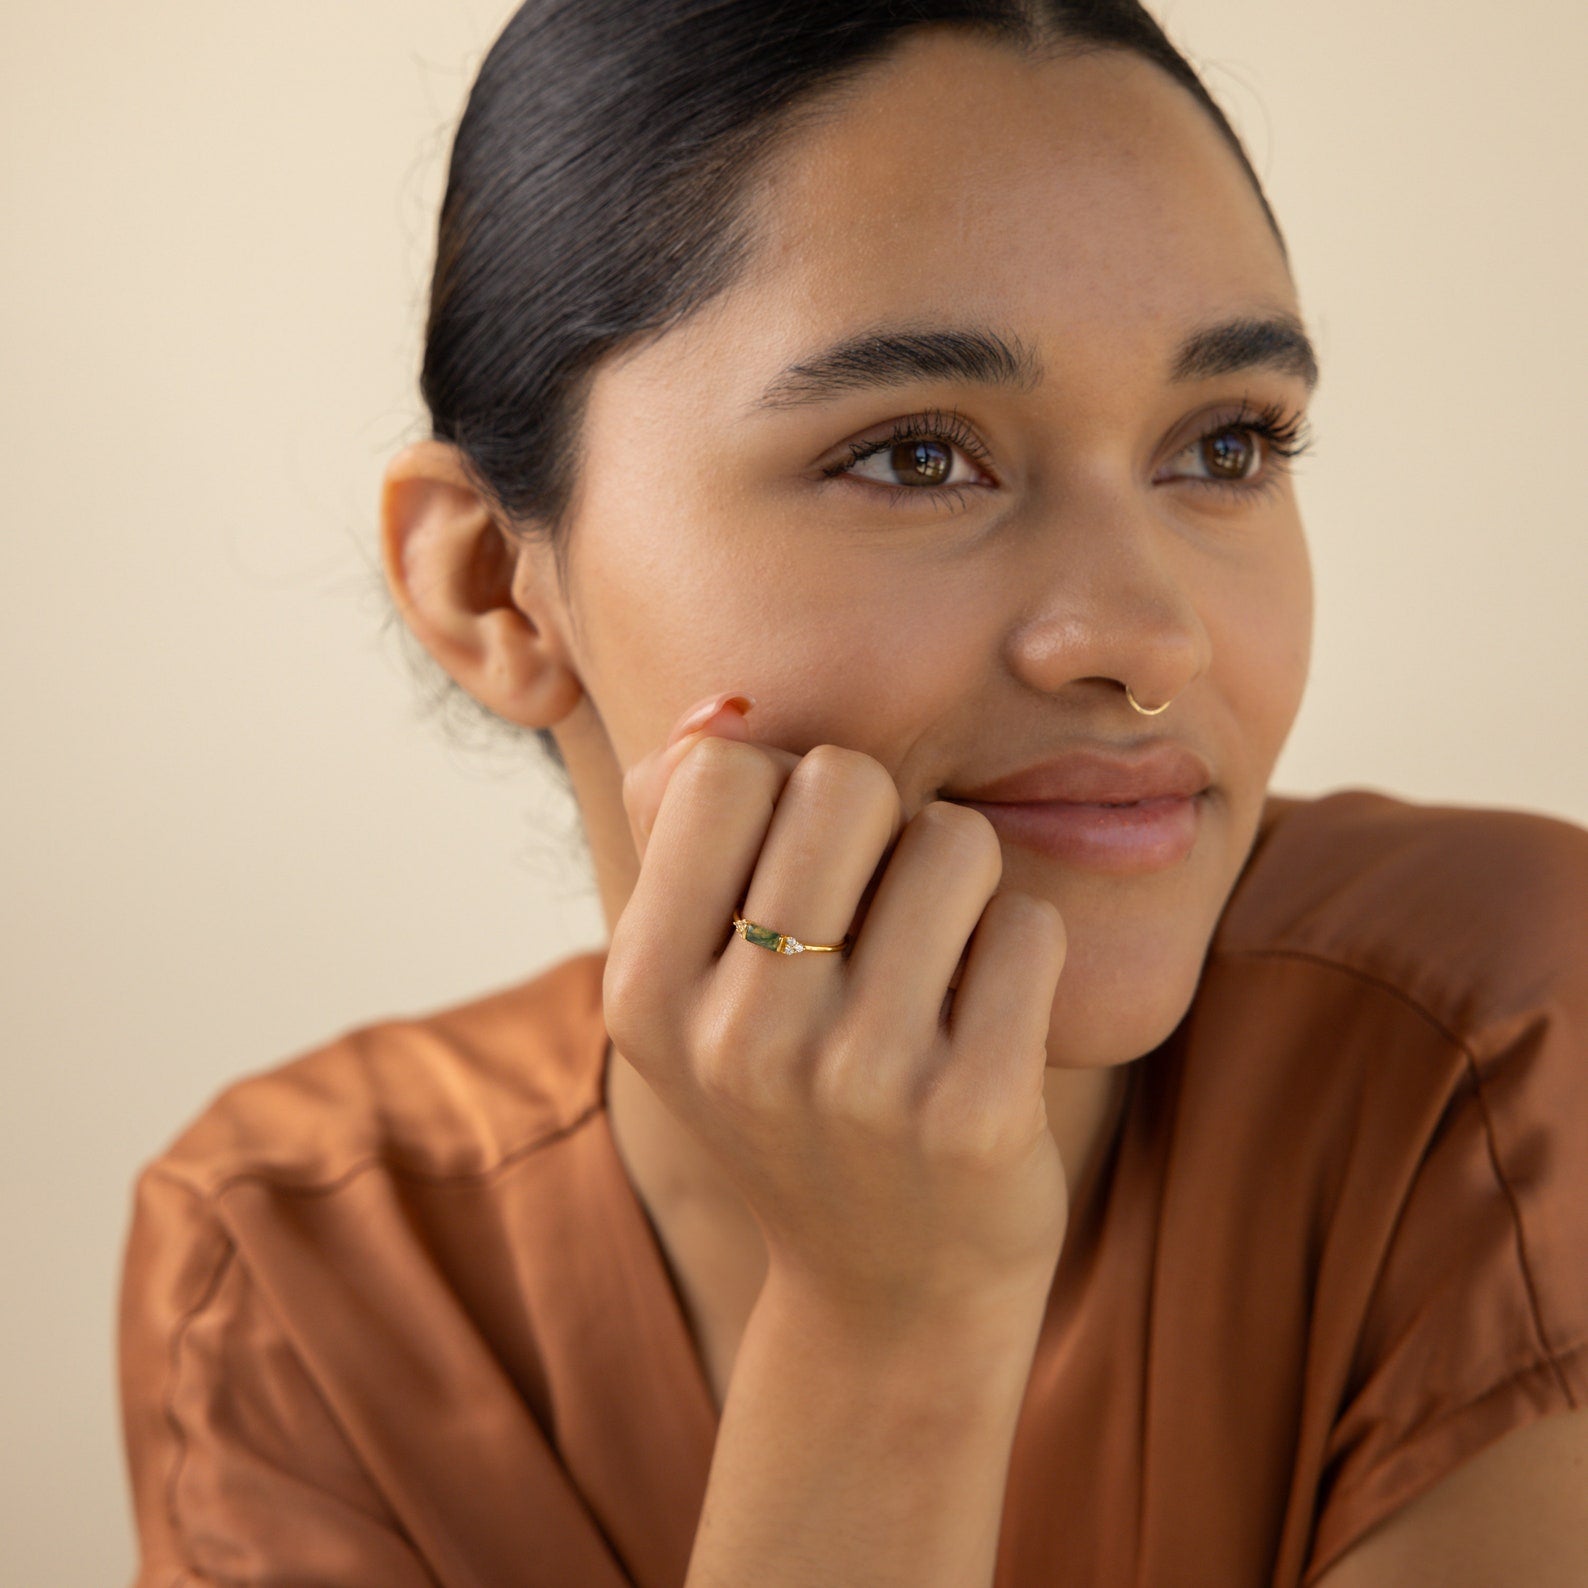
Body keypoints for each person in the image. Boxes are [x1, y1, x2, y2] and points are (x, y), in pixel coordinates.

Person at [116, 3, 1588, 1585]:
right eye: (913, 457)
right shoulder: (299, 1272)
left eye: (1228, 445)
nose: (1146, 637)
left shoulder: (1507, 1045)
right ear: (494, 587)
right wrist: (893, 1326)